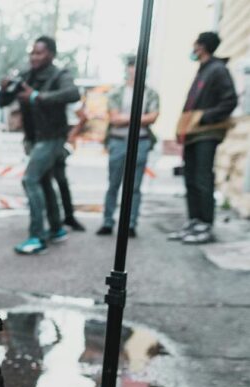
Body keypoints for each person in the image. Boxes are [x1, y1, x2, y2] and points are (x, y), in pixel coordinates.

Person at [0, 36, 81, 255]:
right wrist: (4, 89)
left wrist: (36, 96)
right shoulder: (26, 75)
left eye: (39, 53)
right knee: (43, 182)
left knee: (30, 180)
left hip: (52, 138)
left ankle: (37, 237)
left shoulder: (60, 75)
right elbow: (3, 102)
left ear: (51, 54)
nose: (34, 57)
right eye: (32, 53)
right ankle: (56, 229)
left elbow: (73, 94)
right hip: (34, 138)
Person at [171, 31, 238, 245]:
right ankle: (194, 221)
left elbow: (230, 101)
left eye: (195, 44)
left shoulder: (218, 69)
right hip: (193, 134)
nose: (193, 47)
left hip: (206, 133)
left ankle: (205, 225)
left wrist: (203, 117)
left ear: (202, 46)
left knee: (202, 178)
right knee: (190, 178)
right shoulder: (203, 70)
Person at [98, 56, 160, 238]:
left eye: (140, 66)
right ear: (128, 68)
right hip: (118, 141)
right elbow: (114, 119)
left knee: (134, 186)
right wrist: (140, 118)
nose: (135, 70)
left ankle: (130, 224)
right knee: (113, 183)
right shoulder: (117, 93)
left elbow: (153, 117)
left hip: (141, 141)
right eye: (133, 66)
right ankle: (107, 222)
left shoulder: (151, 93)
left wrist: (126, 118)